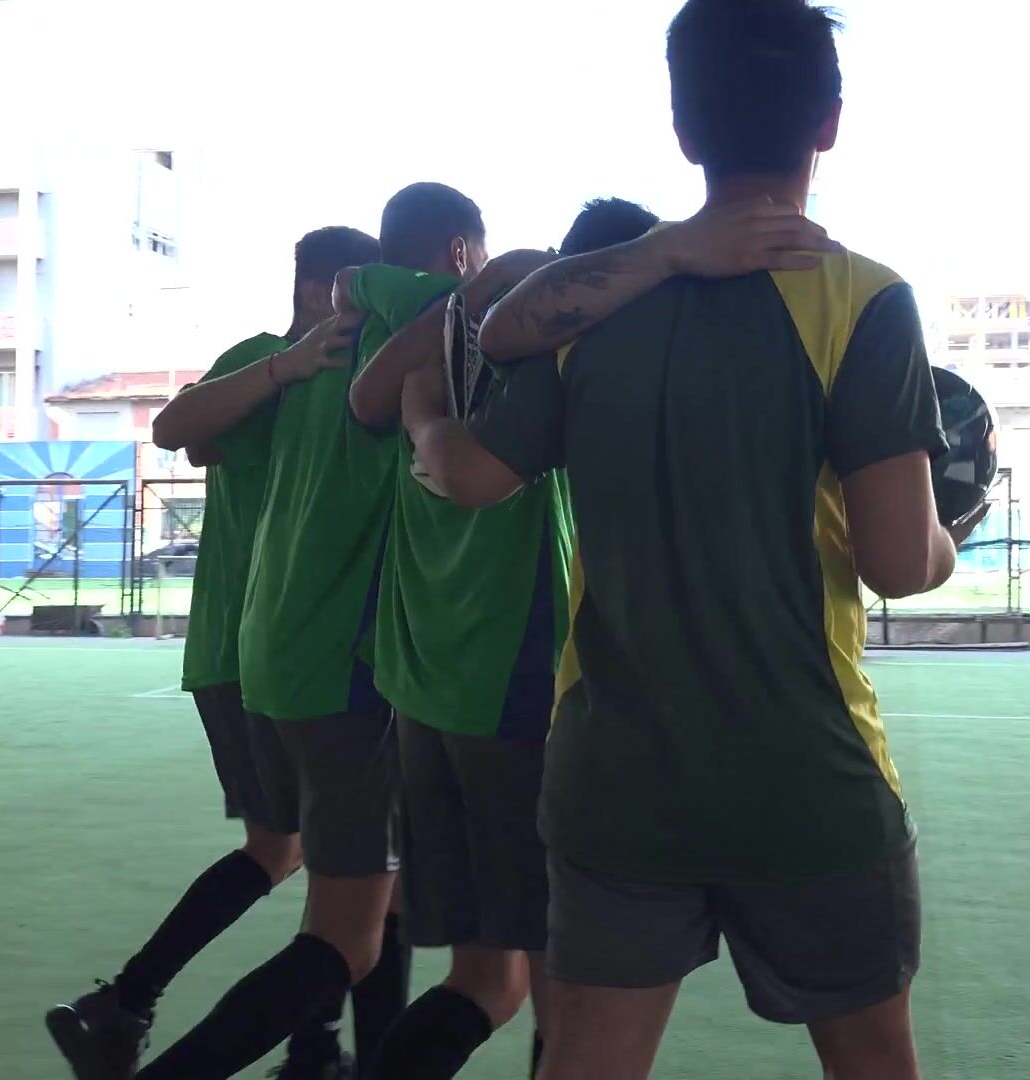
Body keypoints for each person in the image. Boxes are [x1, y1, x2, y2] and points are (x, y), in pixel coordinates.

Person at [416, 1, 980, 1075]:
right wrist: (949, 533)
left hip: (616, 780)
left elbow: (490, 382)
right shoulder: (865, 300)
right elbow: (901, 565)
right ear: (830, 123)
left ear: (683, 129)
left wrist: (421, 420)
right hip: (806, 776)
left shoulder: (593, 309)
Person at [132, 183, 488, 1080]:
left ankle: (312, 1051)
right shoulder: (387, 341)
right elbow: (181, 429)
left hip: (284, 660)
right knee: (344, 924)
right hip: (337, 666)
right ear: (457, 254)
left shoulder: (316, 360)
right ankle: (154, 1020)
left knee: (359, 892)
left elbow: (192, 437)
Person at [45, 225, 381, 1080]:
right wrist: (283, 368)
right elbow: (176, 429)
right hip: (270, 652)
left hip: (267, 650)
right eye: (360, 286)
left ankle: (138, 1006)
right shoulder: (273, 361)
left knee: (296, 851)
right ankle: (296, 1045)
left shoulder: (340, 373)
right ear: (318, 289)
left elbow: (201, 439)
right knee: (337, 868)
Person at [347, 198, 661, 1080]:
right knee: (567, 985)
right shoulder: (555, 353)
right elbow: (476, 472)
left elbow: (367, 391)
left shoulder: (413, 342)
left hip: (425, 688)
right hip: (514, 688)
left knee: (488, 978)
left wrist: (428, 370)